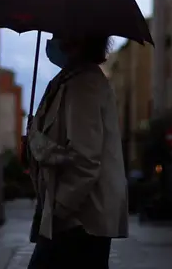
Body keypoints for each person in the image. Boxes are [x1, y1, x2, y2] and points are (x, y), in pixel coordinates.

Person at [26, 35, 128, 269]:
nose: (51, 41)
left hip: (79, 221)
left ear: (77, 38)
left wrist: (59, 210)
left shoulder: (85, 84)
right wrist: (35, 140)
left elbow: (85, 159)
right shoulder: (67, 81)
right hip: (72, 220)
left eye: (57, 33)